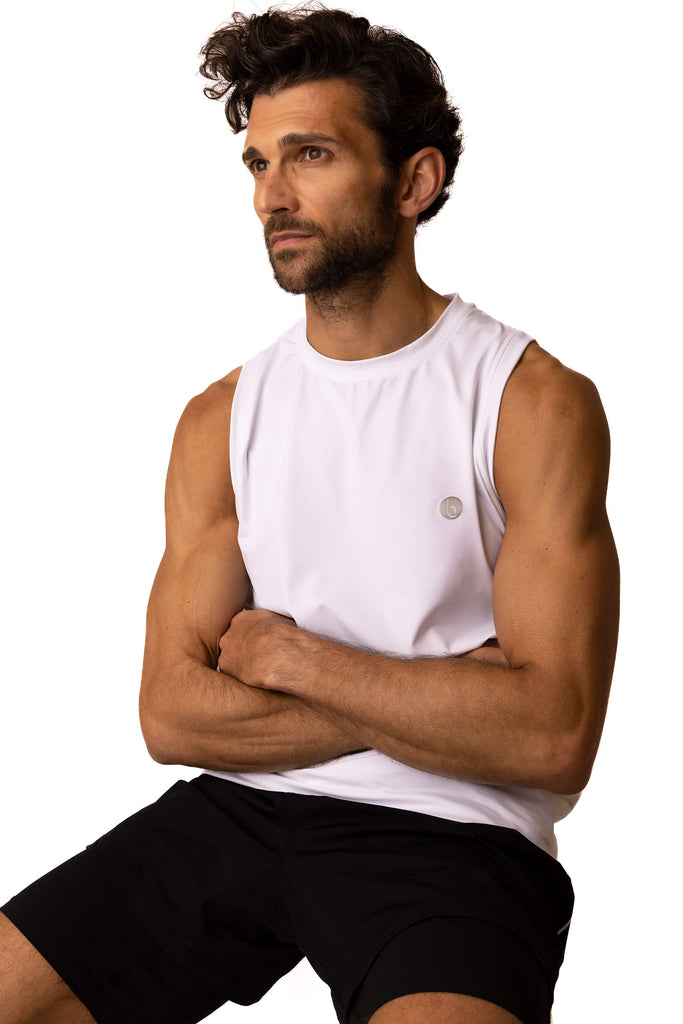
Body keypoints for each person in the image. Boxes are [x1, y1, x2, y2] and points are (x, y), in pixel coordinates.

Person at [0, 6, 620, 1024]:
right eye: (256, 164)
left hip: (452, 833)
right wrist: (444, 700)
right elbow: (169, 714)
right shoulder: (219, 418)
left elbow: (551, 736)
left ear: (413, 183)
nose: (272, 198)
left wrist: (295, 662)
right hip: (247, 810)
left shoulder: (528, 400)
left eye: (311, 156)